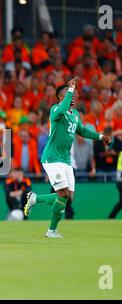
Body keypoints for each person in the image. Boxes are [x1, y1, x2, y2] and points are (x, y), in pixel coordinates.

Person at [23, 77, 111, 237]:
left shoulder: (75, 114)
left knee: (68, 197)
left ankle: (35, 199)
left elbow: (82, 131)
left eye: (75, 95)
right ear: (61, 98)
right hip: (51, 158)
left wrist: (100, 136)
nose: (73, 97)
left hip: (65, 160)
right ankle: (51, 231)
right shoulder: (56, 110)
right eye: (69, 94)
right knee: (62, 194)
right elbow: (63, 109)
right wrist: (70, 90)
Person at [108, 151, 122, 219]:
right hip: (121, 181)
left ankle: (111, 217)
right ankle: (111, 217)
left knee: (121, 203)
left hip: (119, 181)